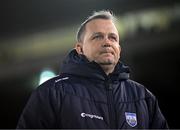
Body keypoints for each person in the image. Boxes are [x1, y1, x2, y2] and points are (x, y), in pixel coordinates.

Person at [17, 10, 168, 129]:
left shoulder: (143, 97)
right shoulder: (52, 92)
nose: (107, 42)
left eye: (113, 38)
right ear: (79, 49)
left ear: (119, 49)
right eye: (97, 37)